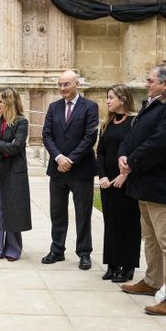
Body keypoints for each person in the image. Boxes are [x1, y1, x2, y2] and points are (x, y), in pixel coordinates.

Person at [118, 65, 166, 316]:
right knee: (151, 238)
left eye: (150, 80)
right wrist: (123, 154)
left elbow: (160, 144)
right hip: (146, 183)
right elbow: (134, 133)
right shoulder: (156, 103)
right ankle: (152, 281)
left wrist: (132, 162)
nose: (146, 84)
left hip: (164, 185)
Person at [41, 70, 99, 270]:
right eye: (60, 84)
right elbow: (47, 135)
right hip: (57, 169)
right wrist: (59, 157)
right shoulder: (54, 107)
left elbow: (90, 137)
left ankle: (84, 252)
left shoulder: (90, 107)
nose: (62, 88)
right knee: (57, 212)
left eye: (66, 84)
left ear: (77, 84)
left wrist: (71, 159)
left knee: (83, 213)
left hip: (81, 170)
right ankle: (57, 250)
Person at [0, 88, 32, 261]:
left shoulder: (21, 122)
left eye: (1, 101)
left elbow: (17, 146)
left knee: (13, 209)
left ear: (10, 102)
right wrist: (4, 148)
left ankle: (13, 248)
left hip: (14, 172)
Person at [96, 84, 140, 283]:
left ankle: (128, 265)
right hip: (108, 182)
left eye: (111, 97)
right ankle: (112, 263)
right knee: (111, 223)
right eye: (107, 97)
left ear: (123, 99)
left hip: (126, 180)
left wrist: (125, 175)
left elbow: (137, 151)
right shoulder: (106, 124)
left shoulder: (134, 122)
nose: (107, 101)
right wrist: (102, 176)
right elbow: (101, 152)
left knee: (128, 223)